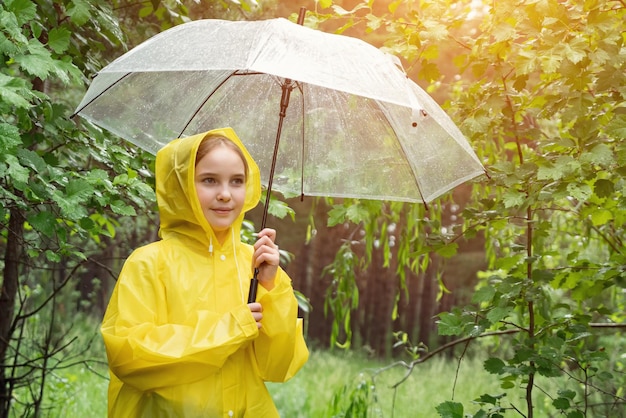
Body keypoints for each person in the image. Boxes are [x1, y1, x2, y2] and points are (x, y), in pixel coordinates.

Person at [100, 127, 309, 417]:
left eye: (237, 181)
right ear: (182, 186)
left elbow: (278, 367)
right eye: (209, 180)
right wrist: (230, 329)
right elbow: (130, 357)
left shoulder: (257, 265)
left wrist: (272, 288)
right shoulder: (148, 264)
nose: (225, 194)